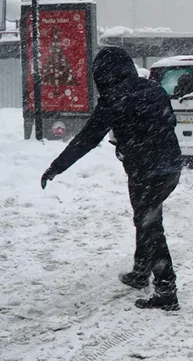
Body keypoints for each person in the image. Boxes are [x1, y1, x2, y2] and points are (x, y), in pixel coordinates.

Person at [40, 47, 183, 311]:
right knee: (148, 218)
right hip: (171, 166)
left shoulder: (114, 98)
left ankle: (166, 290)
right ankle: (141, 271)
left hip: (145, 170)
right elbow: (168, 121)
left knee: (151, 226)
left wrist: (57, 166)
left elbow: (87, 138)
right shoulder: (153, 88)